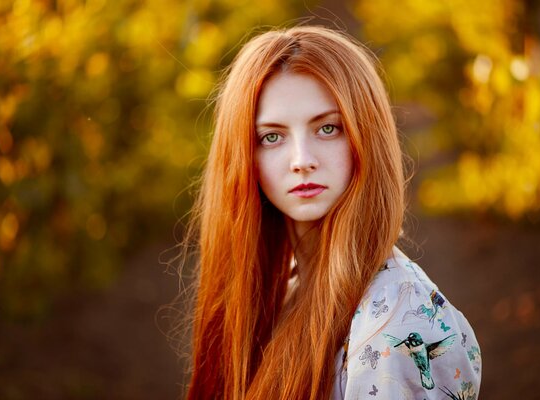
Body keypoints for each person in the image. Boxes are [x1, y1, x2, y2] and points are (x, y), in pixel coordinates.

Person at [182, 25, 482, 399]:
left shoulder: (399, 321)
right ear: (244, 155)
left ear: (365, 135)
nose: (302, 161)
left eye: (327, 128)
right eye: (271, 137)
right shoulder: (281, 287)